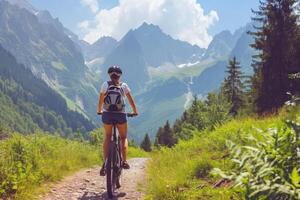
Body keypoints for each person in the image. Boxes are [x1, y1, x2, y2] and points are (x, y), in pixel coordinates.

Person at [97, 65, 138, 176]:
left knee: (107, 137)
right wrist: (135, 111)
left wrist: (99, 111)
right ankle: (124, 161)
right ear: (120, 75)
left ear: (109, 75)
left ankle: (105, 163)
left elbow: (101, 101)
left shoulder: (105, 85)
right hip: (120, 115)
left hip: (107, 115)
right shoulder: (124, 86)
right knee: (123, 137)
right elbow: (131, 101)